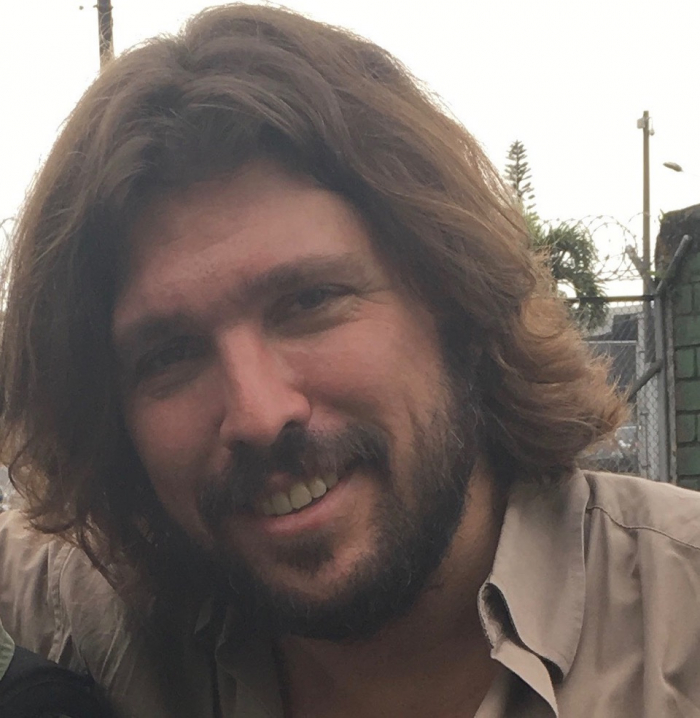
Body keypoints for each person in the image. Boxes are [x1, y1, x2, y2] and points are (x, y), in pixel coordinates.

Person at [1, 4, 700, 717]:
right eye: (170, 355)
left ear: (450, 293)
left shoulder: (679, 627)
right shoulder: (114, 624)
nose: (258, 414)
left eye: (309, 301)